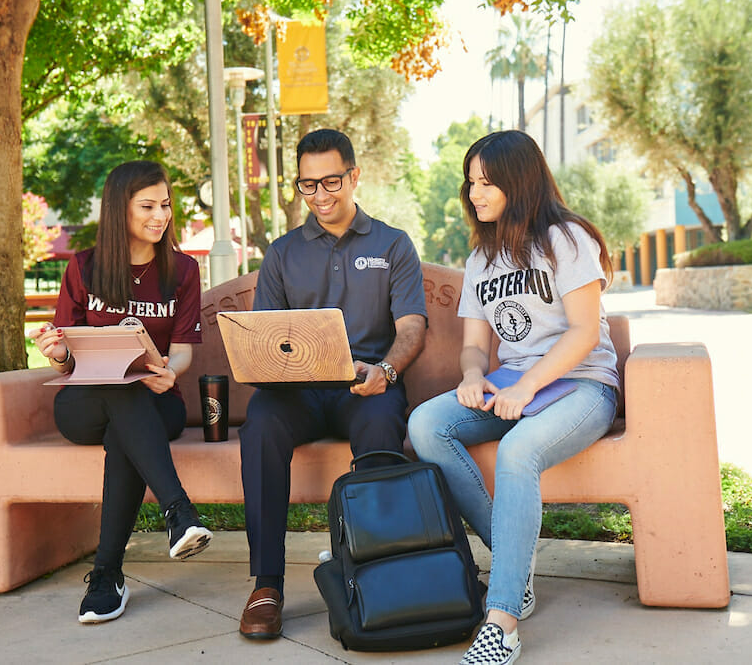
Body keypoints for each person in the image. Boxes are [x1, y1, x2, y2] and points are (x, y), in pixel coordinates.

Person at [407, 130, 620, 665]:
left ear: (518, 183)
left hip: (581, 383)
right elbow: (477, 345)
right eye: (471, 182)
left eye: (486, 182)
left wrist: (527, 385)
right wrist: (475, 377)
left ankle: (501, 619)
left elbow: (584, 334)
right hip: (513, 384)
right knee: (427, 425)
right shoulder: (484, 257)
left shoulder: (569, 239)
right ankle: (514, 569)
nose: (474, 193)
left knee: (519, 450)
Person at [237, 128, 428, 640]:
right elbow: (266, 336)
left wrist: (384, 371)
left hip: (366, 385)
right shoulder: (281, 254)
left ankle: (372, 572)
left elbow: (412, 327)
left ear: (354, 176)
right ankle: (267, 583)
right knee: (260, 423)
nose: (320, 196)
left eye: (331, 181)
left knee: (381, 421)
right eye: (307, 185)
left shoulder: (393, 244)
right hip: (297, 392)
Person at [29, 160, 212, 625]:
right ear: (119, 210)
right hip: (83, 404)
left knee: (125, 423)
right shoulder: (85, 267)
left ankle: (107, 577)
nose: (160, 216)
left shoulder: (184, 270)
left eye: (166, 205)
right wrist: (55, 352)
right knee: (116, 387)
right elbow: (67, 356)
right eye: (147, 206)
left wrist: (168, 371)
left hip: (155, 402)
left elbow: (183, 352)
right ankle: (179, 512)